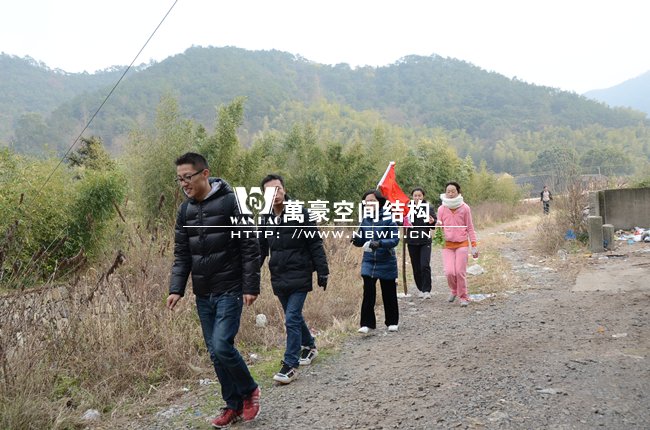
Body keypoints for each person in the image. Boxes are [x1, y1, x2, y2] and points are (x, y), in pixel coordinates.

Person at [167, 152, 261, 428]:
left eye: (187, 177)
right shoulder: (185, 211)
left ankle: (250, 391)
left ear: (205, 174)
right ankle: (233, 404)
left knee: (221, 345)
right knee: (214, 352)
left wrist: (250, 286)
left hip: (230, 288)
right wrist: (176, 288)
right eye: (179, 179)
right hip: (203, 292)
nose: (184, 183)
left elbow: (250, 246)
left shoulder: (233, 202)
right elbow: (182, 253)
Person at [259, 174, 329, 385]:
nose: (275, 194)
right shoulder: (265, 218)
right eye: (270, 191)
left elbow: (315, 242)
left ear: (284, 189)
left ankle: (290, 365)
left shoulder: (300, 213)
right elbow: (260, 249)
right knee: (294, 316)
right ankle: (310, 346)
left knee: (291, 318)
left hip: (300, 273)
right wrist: (250, 274)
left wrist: (323, 271)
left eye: (278, 189)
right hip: (278, 275)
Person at [351, 190, 400, 333]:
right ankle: (367, 324)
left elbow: (395, 240)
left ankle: (392, 321)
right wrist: (356, 240)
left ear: (380, 202)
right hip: (369, 261)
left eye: (372, 200)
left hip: (386, 260)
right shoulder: (364, 220)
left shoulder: (389, 219)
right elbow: (362, 241)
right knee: (368, 291)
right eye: (367, 201)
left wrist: (379, 243)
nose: (369, 203)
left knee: (388, 292)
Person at [436, 181, 478, 307]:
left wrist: (474, 245)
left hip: (462, 244)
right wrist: (437, 225)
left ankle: (463, 296)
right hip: (447, 245)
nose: (450, 194)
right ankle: (454, 290)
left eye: (453, 191)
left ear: (458, 192)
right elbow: (439, 227)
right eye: (448, 191)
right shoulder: (441, 209)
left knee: (460, 272)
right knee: (449, 272)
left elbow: (470, 227)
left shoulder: (465, 208)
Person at [405, 187, 437, 299]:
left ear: (423, 196)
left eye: (420, 195)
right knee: (416, 267)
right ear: (412, 197)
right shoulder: (407, 207)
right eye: (415, 195)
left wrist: (432, 221)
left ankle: (427, 290)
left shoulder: (428, 207)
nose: (417, 198)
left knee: (424, 265)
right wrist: (403, 222)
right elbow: (400, 221)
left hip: (425, 240)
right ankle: (420, 288)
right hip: (412, 241)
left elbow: (434, 223)